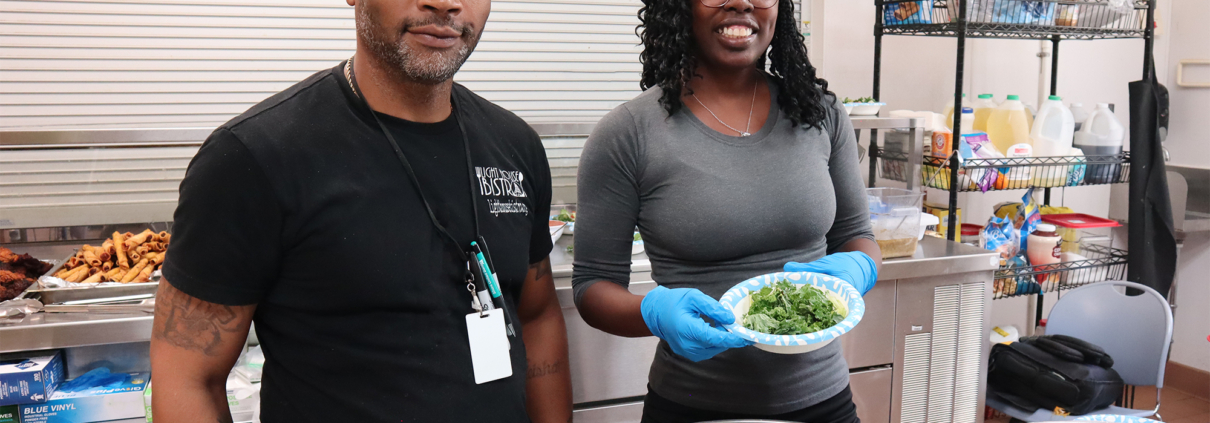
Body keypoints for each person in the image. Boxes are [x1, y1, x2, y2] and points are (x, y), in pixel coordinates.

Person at [149, 0, 572, 421]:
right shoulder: (253, 159)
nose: (446, 3)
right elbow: (188, 377)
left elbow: (536, 316)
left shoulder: (516, 147)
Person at [570, 0, 882, 420]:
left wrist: (862, 266)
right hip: (692, 405)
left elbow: (857, 234)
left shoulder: (820, 112)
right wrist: (653, 313)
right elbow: (593, 287)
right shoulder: (627, 134)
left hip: (824, 403)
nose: (741, 2)